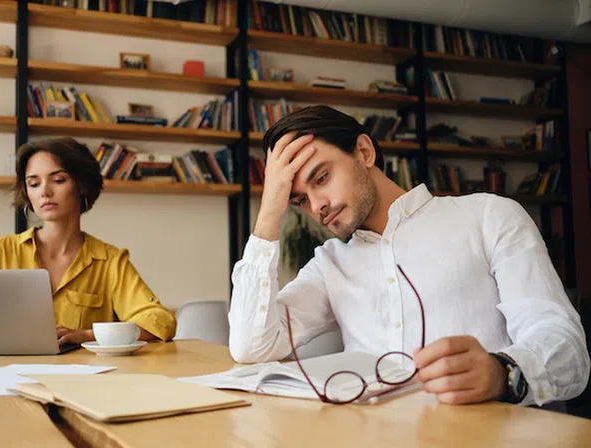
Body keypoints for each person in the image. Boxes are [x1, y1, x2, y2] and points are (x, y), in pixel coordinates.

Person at [228, 105, 589, 406]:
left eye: (321, 178)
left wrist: (503, 373)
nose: (317, 206)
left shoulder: (489, 217)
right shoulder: (329, 264)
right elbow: (251, 346)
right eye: (299, 200)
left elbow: (566, 347)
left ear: (364, 152)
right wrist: (268, 213)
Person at [0, 137, 176, 345]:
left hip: (86, 375)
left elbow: (160, 320)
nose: (44, 192)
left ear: (81, 185)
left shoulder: (110, 261)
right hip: (9, 373)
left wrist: (88, 335)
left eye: (58, 180)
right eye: (33, 184)